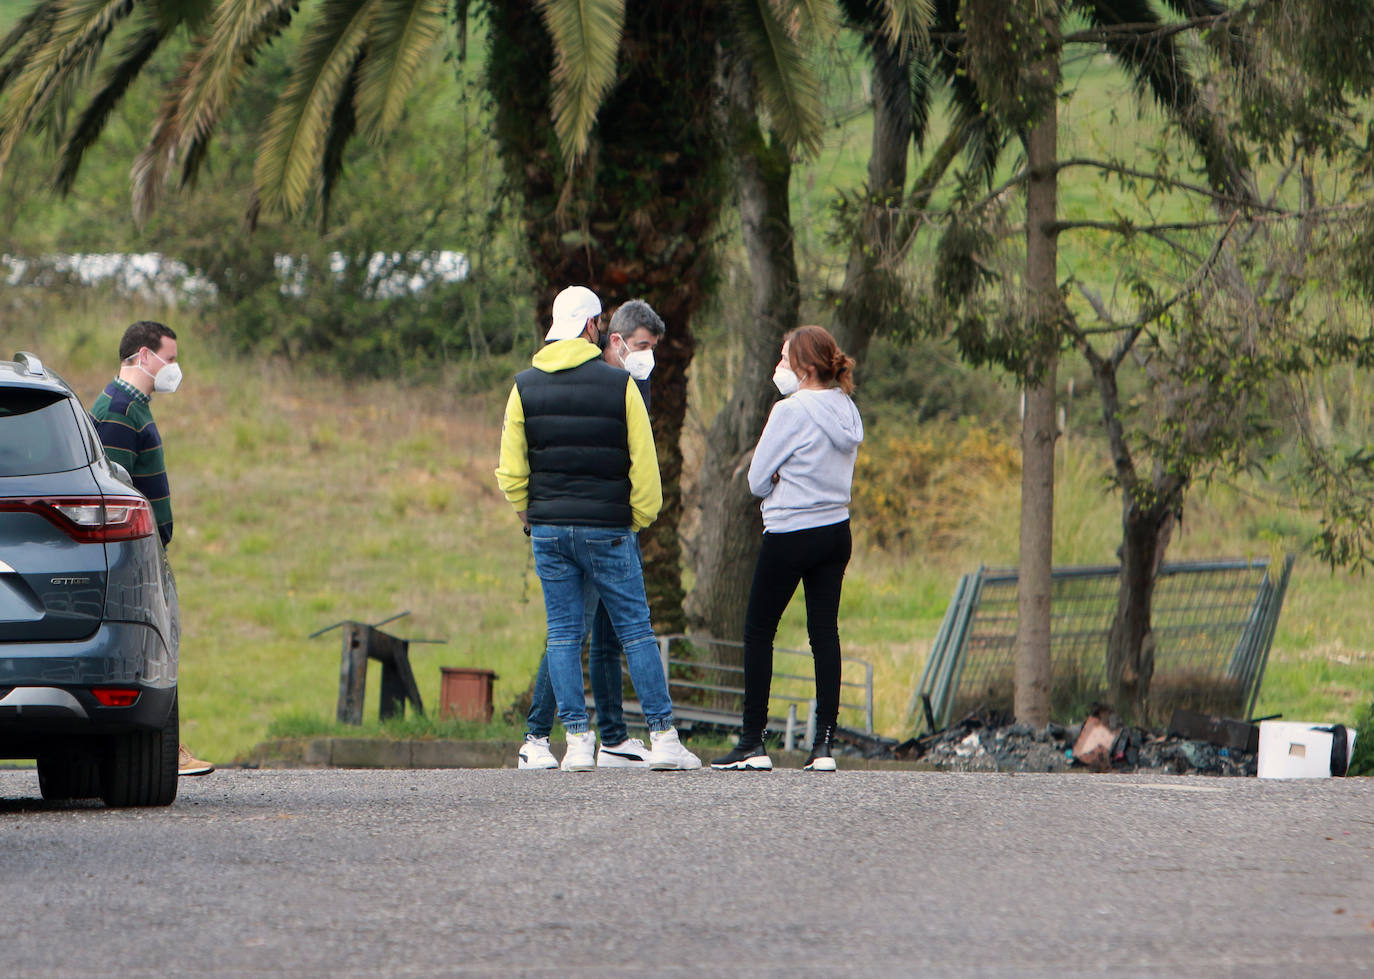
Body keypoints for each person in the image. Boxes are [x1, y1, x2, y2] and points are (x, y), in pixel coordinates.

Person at [496, 286, 699, 772]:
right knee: (636, 631)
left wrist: (532, 515)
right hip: (608, 527)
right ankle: (664, 738)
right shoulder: (618, 386)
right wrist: (636, 519)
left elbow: (510, 472)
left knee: (564, 635)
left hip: (548, 529)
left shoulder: (523, 385)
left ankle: (577, 743)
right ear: (592, 328)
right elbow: (646, 471)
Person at [711, 325, 863, 772]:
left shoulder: (789, 411)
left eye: (783, 360)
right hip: (836, 531)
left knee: (759, 631)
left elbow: (757, 479)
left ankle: (752, 742)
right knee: (824, 633)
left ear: (804, 366)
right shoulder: (847, 409)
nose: (778, 368)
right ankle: (824, 747)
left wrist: (778, 479)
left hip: (790, 531)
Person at [90, 320, 214, 778]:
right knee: (155, 646)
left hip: (148, 551)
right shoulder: (120, 412)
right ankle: (166, 752)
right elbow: (116, 491)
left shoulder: (134, 408)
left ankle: (168, 748)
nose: (175, 368)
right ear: (144, 357)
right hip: (134, 556)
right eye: (171, 358)